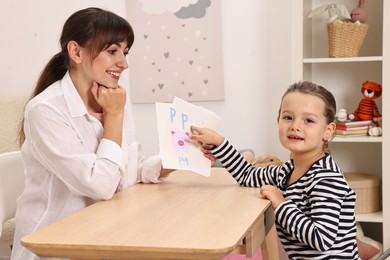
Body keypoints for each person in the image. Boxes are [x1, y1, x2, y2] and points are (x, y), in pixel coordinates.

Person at [11, 7, 173, 260]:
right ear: (76, 51)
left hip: (107, 235)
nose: (124, 63)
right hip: (55, 247)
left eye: (125, 52)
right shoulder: (44, 111)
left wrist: (173, 160)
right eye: (112, 51)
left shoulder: (114, 99)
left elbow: (125, 172)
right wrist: (115, 117)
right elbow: (101, 186)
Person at [190, 81, 360, 259]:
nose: (295, 125)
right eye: (288, 117)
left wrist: (281, 202)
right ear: (278, 120)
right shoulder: (285, 171)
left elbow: (322, 239)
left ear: (328, 130)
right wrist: (219, 144)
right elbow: (247, 175)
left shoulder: (326, 178)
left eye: (308, 120)